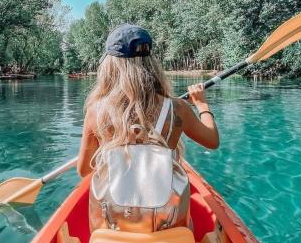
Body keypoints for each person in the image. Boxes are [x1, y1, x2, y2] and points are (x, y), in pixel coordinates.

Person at [77, 24, 219, 233]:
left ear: (110, 66)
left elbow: (84, 170)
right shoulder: (178, 108)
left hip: (113, 222)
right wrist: (202, 106)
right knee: (190, 224)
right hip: (166, 221)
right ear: (151, 63)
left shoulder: (96, 111)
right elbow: (212, 140)